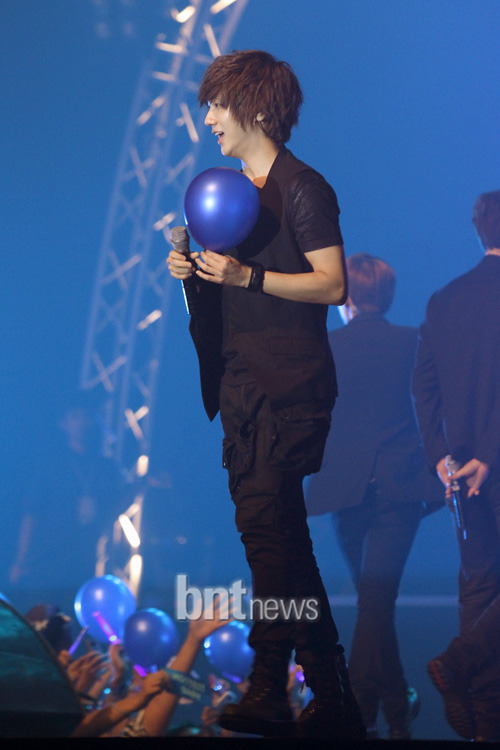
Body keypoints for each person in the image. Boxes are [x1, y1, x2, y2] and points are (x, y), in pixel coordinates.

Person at [167, 49, 365, 740]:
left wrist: (246, 277)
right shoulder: (230, 191)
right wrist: (194, 274)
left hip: (288, 391)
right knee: (281, 544)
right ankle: (320, 696)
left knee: (267, 537)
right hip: (242, 389)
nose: (209, 120)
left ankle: (275, 686)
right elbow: (229, 296)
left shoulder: (303, 188)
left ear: (253, 106)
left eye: (216, 105)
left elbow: (333, 284)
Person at [305, 253, 444, 739]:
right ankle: (396, 706)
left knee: (373, 603)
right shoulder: (413, 341)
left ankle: (360, 711)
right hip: (399, 485)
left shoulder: (325, 346)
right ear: (386, 295)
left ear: (345, 297)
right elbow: (432, 408)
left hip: (345, 490)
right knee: (375, 603)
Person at [411, 190, 500, 742]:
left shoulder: (445, 299)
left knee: (479, 588)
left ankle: (485, 723)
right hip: (487, 462)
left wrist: (440, 456)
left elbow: (423, 385)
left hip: (461, 470)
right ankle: (461, 663)